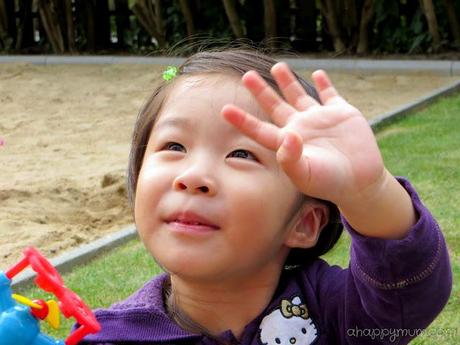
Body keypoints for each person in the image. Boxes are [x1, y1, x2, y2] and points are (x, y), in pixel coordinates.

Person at [78, 49, 452, 345]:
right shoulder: (109, 337)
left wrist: (367, 191)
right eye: (174, 145)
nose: (193, 177)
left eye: (241, 154)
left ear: (303, 224)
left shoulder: (338, 315)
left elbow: (410, 290)